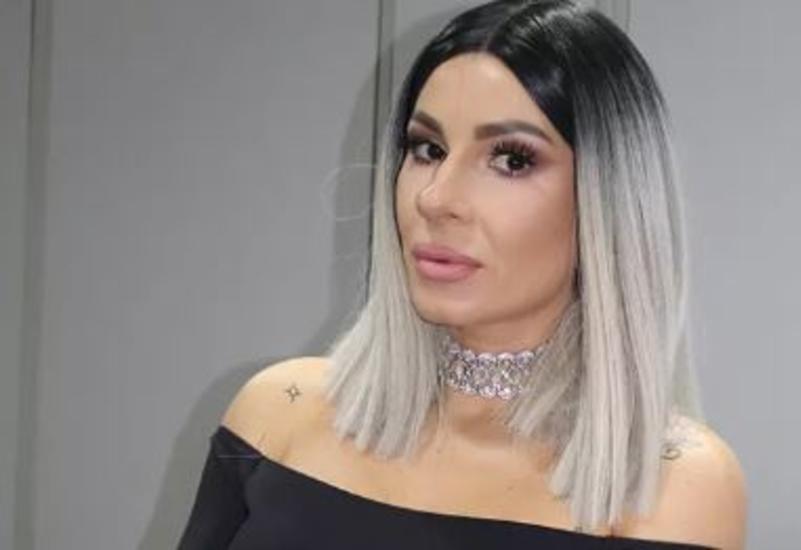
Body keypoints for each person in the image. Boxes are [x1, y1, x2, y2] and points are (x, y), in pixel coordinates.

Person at [178, 1, 746, 548]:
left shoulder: (673, 487)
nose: (436, 197)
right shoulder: (276, 415)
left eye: (511, 160)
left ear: (610, 199)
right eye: (427, 149)